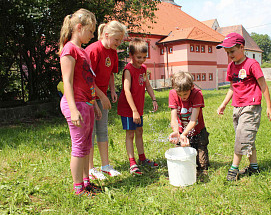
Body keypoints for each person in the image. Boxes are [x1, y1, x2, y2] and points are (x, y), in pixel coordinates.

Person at [216, 32, 271, 181]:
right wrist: (223, 104)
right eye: (227, 52)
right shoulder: (230, 67)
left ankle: (233, 169)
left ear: (241, 47)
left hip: (251, 107)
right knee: (246, 138)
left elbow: (263, 85)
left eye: (232, 51)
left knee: (241, 138)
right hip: (237, 107)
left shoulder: (252, 64)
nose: (230, 55)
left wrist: (269, 106)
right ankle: (254, 168)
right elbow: (231, 88)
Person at [59, 8, 102, 196]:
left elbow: (89, 81)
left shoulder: (82, 51)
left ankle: (86, 182)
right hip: (75, 103)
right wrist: (74, 109)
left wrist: (95, 104)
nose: (93, 35)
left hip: (87, 104)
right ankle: (78, 188)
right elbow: (66, 81)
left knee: (87, 146)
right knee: (78, 147)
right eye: (91, 31)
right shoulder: (69, 49)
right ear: (79, 27)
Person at [85, 21, 127, 180]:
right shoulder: (93, 50)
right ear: (107, 35)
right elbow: (87, 79)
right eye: (117, 40)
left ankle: (105, 165)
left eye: (120, 40)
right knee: (91, 132)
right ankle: (90, 169)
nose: (118, 43)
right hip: (89, 96)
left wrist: (112, 90)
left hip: (102, 95)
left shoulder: (113, 52)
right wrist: (101, 97)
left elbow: (110, 73)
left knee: (102, 131)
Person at [117, 38, 158, 176]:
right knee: (130, 134)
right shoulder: (128, 70)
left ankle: (142, 158)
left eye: (144, 57)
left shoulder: (143, 68)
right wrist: (134, 111)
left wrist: (153, 98)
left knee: (139, 131)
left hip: (138, 107)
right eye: (139, 57)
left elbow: (147, 85)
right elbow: (126, 90)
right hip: (128, 108)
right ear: (131, 55)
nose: (142, 60)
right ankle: (132, 162)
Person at [168, 71, 210, 176]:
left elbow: (193, 120)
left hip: (198, 132)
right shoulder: (172, 94)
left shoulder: (197, 94)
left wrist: (184, 134)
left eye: (185, 94)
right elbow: (173, 118)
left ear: (191, 87)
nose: (183, 97)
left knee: (202, 165)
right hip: (181, 132)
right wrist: (176, 132)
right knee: (182, 159)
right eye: (179, 94)